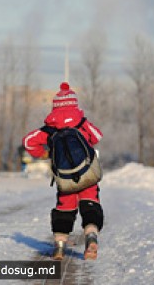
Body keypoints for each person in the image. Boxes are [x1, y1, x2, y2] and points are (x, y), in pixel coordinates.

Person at [22, 82, 104, 260]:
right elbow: (97, 136)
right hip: (88, 175)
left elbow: (28, 141)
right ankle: (91, 239)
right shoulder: (82, 123)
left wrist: (44, 153)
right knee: (91, 205)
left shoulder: (50, 128)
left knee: (64, 209)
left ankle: (59, 247)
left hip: (65, 179)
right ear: (74, 104)